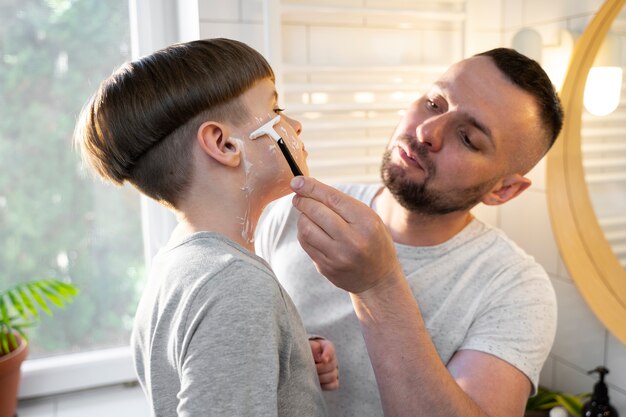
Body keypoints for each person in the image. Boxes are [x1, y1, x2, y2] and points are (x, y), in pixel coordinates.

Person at [255, 48, 563, 417]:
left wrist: (378, 286)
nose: (426, 132)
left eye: (468, 138)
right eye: (434, 103)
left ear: (504, 190)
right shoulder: (290, 214)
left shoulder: (516, 288)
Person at [73, 38, 338, 416]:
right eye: (275, 108)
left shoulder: (181, 265)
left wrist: (288, 358)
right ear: (223, 144)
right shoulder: (235, 286)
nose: (295, 124)